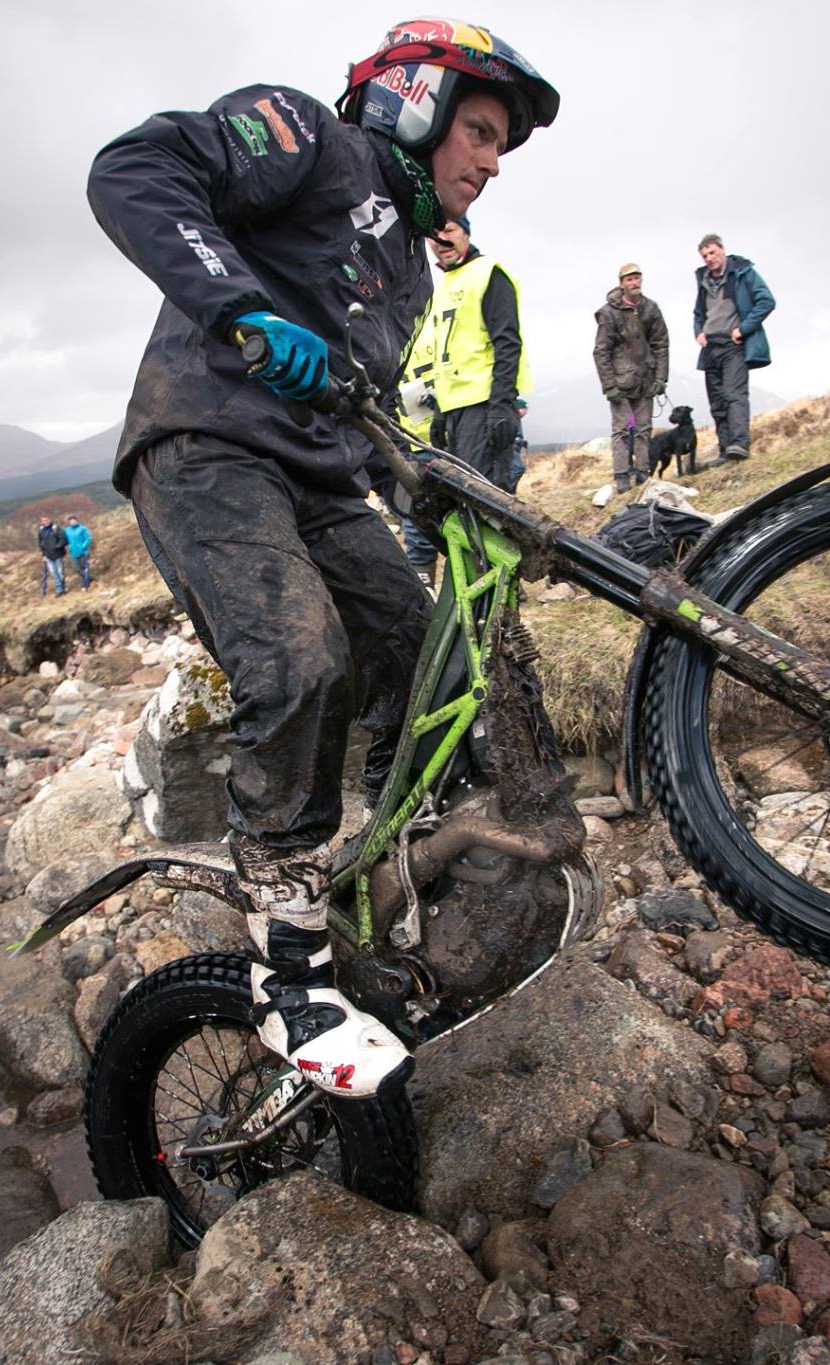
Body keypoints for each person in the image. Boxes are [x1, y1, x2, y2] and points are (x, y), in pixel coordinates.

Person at [87, 16, 557, 1097]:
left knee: (425, 647)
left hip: (316, 480)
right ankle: (287, 966)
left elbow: (370, 413)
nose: (489, 162)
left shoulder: (408, 260)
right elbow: (135, 168)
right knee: (299, 663)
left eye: (497, 145)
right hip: (205, 448)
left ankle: (396, 863)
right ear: (415, 103)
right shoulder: (303, 133)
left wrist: (428, 493)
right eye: (479, 132)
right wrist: (242, 305)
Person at [396, 215, 529, 572]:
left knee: (488, 500)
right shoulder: (442, 287)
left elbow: (507, 342)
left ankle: (501, 584)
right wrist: (439, 411)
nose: (442, 239)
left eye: (450, 230)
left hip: (484, 405)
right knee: (464, 502)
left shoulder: (488, 273)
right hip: (454, 410)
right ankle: (481, 580)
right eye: (434, 235)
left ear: (466, 233)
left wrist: (503, 403)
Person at [692, 233, 776, 462]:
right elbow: (698, 313)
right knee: (717, 402)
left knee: (733, 394)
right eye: (704, 255)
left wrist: (744, 329)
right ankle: (725, 450)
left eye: (712, 253)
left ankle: (739, 445)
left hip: (734, 346)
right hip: (710, 348)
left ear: (722, 249)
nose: (709, 258)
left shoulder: (743, 272)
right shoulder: (703, 280)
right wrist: (698, 332)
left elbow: (766, 301)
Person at [593, 263, 669, 493]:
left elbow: (661, 344)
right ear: (621, 283)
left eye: (637, 278)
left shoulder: (651, 308)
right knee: (623, 430)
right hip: (620, 382)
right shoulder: (608, 313)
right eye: (629, 279)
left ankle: (642, 473)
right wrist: (609, 385)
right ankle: (622, 475)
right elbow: (601, 351)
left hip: (645, 380)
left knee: (644, 429)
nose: (634, 283)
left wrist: (661, 378)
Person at [37, 517, 69, 597]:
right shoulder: (41, 530)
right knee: (54, 573)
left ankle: (62, 589)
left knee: (60, 572)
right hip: (48, 555)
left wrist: (57, 547)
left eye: (47, 520)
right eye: (43, 521)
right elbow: (40, 543)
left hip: (58, 554)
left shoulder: (56, 528)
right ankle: (59, 589)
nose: (45, 522)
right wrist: (43, 555)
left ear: (50, 520)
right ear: (41, 522)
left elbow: (63, 539)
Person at [505, 396, 530, 492]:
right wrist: (519, 441)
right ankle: (508, 492)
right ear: (519, 408)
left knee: (514, 470)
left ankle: (511, 492)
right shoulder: (512, 419)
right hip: (511, 448)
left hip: (514, 448)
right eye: (525, 409)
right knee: (518, 468)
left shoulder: (516, 419)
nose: (526, 412)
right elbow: (509, 435)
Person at [63, 515, 94, 589]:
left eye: (73, 520)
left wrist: (84, 546)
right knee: (76, 568)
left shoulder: (82, 528)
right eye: (70, 520)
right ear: (69, 522)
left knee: (84, 567)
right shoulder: (67, 530)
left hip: (83, 551)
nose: (72, 522)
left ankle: (85, 584)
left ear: (76, 520)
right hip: (73, 552)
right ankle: (90, 578)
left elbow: (88, 538)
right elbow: (65, 540)